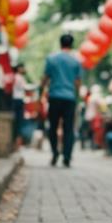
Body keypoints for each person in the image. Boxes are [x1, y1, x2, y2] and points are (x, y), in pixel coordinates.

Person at [41, 33, 82, 167]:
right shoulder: (76, 61)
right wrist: (77, 97)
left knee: (53, 127)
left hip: (54, 97)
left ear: (60, 44)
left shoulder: (52, 59)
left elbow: (45, 78)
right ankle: (67, 157)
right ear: (72, 44)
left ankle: (54, 153)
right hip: (69, 98)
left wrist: (41, 92)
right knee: (68, 128)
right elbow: (77, 82)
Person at [12, 64, 28, 148]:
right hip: (17, 100)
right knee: (18, 122)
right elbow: (24, 87)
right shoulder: (18, 77)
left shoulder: (18, 77)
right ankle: (15, 143)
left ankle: (16, 143)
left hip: (18, 100)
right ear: (19, 68)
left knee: (18, 122)